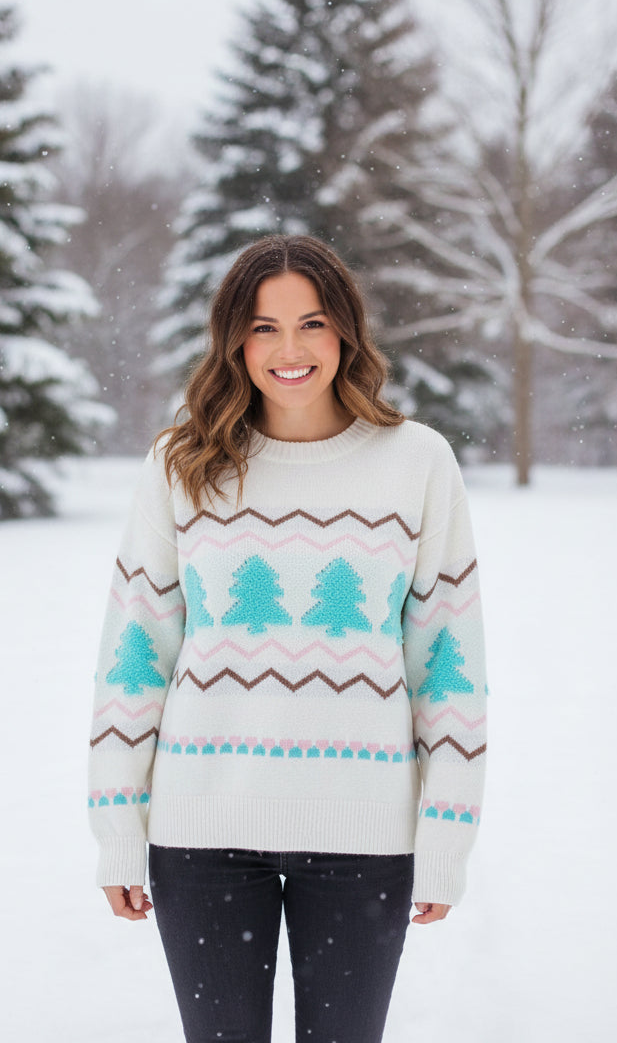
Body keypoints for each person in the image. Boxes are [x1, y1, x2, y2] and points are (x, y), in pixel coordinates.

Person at [88, 234, 487, 1043]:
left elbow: (450, 670)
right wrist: (117, 829)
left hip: (363, 836)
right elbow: (135, 656)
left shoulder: (417, 462)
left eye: (311, 323)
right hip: (202, 833)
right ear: (233, 339)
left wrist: (446, 836)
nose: (290, 349)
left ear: (346, 330)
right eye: (263, 327)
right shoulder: (182, 463)